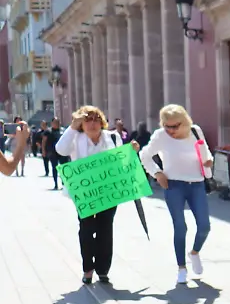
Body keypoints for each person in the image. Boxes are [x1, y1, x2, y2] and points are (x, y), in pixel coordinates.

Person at [56, 106, 140, 284]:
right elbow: (60, 150)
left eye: (96, 119)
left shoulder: (113, 137)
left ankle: (103, 269)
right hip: (84, 192)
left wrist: (131, 151)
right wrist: (72, 127)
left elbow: (121, 161)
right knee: (86, 229)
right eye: (87, 120)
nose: (92, 124)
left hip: (108, 190)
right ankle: (88, 268)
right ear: (81, 123)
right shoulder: (75, 138)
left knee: (105, 228)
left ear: (102, 122)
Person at [139, 104, 215, 285]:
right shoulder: (160, 136)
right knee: (180, 227)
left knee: (204, 226)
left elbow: (205, 152)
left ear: (185, 122)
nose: (171, 130)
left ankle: (194, 252)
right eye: (167, 126)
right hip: (173, 185)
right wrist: (157, 173)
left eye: (175, 126)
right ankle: (181, 268)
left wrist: (209, 161)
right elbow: (144, 155)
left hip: (196, 184)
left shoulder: (195, 131)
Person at [41, 118, 64, 189]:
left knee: (63, 168)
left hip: (62, 152)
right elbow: (44, 141)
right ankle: (56, 184)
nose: (56, 124)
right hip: (52, 152)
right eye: (55, 122)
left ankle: (64, 183)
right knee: (55, 168)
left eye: (57, 122)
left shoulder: (62, 131)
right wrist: (43, 151)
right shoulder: (48, 131)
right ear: (52, 123)